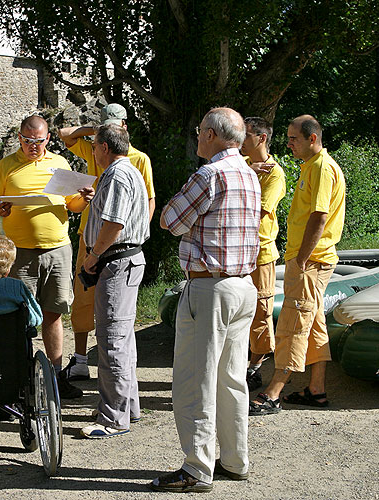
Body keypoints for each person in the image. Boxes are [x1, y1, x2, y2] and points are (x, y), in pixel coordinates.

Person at [153, 108, 260, 493]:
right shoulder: (250, 173)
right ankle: (235, 460)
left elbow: (169, 220)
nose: (197, 136)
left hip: (210, 287)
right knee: (232, 380)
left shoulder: (209, 174)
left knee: (195, 380)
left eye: (200, 131)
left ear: (213, 135)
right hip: (243, 286)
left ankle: (197, 469)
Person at [0, 114, 91, 399]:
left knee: (54, 314)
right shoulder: (6, 166)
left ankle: (55, 378)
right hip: (20, 252)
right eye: (28, 141)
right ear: (20, 138)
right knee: (20, 316)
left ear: (48, 139)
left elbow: (74, 206)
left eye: (39, 141)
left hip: (57, 248)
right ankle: (20, 379)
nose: (34, 146)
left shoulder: (59, 164)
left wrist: (84, 198)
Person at [250, 115, 346, 415]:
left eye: (294, 138)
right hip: (309, 259)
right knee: (313, 322)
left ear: (312, 139)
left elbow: (319, 216)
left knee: (293, 324)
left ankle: (273, 393)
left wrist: (302, 259)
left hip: (311, 261)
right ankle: (316, 389)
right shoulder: (313, 166)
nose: (289, 143)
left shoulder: (321, 168)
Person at [57, 103, 156, 383]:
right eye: (106, 124)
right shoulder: (95, 147)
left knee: (114, 314)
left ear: (125, 126)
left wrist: (136, 234)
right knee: (84, 297)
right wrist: (96, 131)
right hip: (91, 237)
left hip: (114, 243)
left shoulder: (137, 159)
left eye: (115, 124)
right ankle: (79, 361)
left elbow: (148, 200)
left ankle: (113, 377)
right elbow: (64, 135)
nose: (111, 128)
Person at [77, 124, 149, 439]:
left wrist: (93, 256)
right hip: (124, 260)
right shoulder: (125, 171)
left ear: (104, 147)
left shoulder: (118, 175)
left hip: (118, 260)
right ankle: (126, 406)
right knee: (122, 338)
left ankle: (113, 417)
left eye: (94, 147)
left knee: (112, 340)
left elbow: (115, 223)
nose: (93, 152)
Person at [240, 117, 286, 391]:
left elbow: (258, 211)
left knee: (261, 310)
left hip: (261, 253)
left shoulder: (274, 173)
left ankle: (256, 366)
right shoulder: (246, 165)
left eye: (246, 136)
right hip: (238, 251)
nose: (241, 141)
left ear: (261, 138)